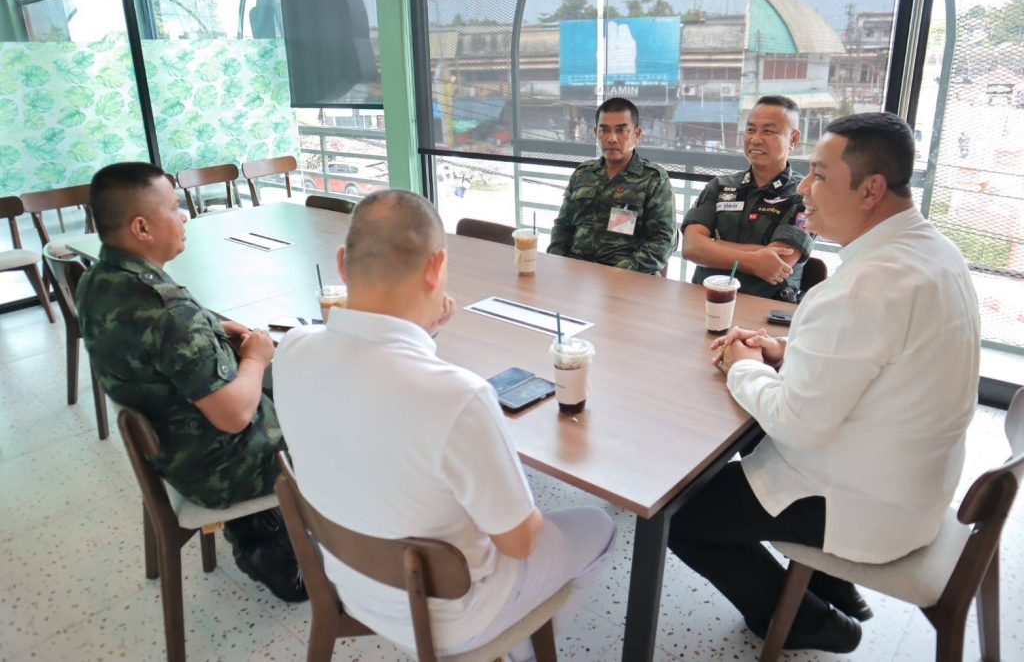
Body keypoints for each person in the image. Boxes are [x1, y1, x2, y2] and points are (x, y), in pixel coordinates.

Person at [667, 113, 980, 653]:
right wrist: (783, 350)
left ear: (871, 189)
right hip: (915, 481)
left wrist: (742, 364)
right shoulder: (934, 251)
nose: (805, 189)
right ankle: (832, 585)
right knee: (749, 444)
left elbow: (797, 424)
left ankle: (813, 623)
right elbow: (882, 359)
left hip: (863, 501)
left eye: (819, 175)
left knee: (680, 515)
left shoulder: (865, 285)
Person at [273, 190, 616, 660]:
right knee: (597, 526)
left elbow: (377, 398)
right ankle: (522, 651)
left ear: (341, 265)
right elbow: (521, 542)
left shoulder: (293, 349)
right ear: (435, 268)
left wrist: (424, 331)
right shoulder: (458, 396)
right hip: (454, 619)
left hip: (349, 583)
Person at [76, 162, 305, 602]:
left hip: (175, 445)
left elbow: (161, 349)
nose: (183, 216)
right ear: (142, 227)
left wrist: (213, 332)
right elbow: (235, 416)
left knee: (288, 387)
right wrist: (255, 357)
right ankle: (311, 549)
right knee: (338, 418)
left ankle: (260, 531)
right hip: (219, 467)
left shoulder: (97, 281)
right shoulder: (168, 311)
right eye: (173, 207)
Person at [680, 95, 815, 300]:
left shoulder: (803, 194)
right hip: (706, 299)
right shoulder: (720, 186)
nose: (756, 139)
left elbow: (778, 262)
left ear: (793, 139)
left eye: (768, 131)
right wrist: (754, 260)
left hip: (765, 306)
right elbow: (691, 247)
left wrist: (714, 245)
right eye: (751, 130)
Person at [548, 97, 677, 275]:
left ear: (637, 134)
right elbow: (563, 225)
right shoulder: (583, 173)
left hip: (626, 278)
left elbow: (664, 241)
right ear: (596, 133)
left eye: (621, 130)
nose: (612, 139)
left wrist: (619, 272)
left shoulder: (653, 180)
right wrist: (556, 261)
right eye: (605, 130)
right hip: (576, 274)